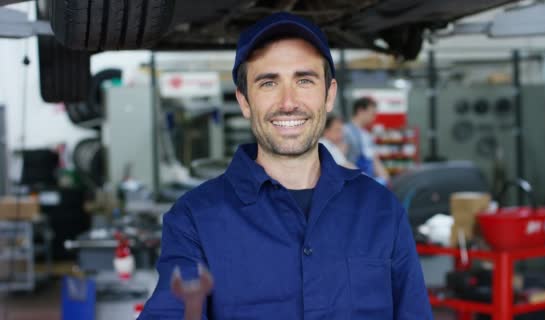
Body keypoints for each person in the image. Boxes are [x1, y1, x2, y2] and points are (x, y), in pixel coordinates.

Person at [139, 11, 432, 320]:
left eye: (304, 80)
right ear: (244, 101)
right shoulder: (195, 219)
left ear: (328, 95)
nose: (288, 101)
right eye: (268, 83)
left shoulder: (380, 209)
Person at [344, 97, 391, 185]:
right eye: (372, 114)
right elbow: (341, 160)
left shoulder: (367, 136)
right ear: (361, 111)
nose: (374, 118)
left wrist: (385, 177)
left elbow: (374, 159)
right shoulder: (345, 132)